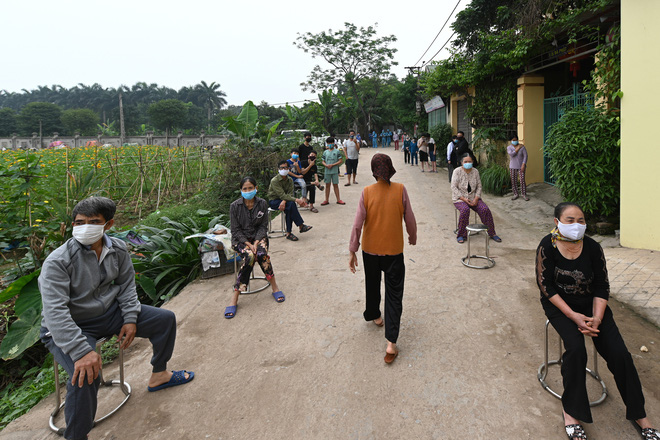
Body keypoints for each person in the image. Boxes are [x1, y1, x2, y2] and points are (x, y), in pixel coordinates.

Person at [39, 197, 194, 440]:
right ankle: (76, 436)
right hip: (69, 325)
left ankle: (159, 374)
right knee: (85, 374)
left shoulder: (118, 249)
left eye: (93, 222)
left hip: (109, 313)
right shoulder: (58, 261)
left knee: (165, 319)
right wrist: (81, 352)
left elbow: (126, 286)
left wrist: (130, 318)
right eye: (79, 222)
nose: (84, 227)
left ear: (108, 224)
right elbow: (55, 312)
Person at [536, 202, 660, 440]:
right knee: (575, 349)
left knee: (620, 355)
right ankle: (571, 412)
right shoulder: (547, 246)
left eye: (581, 220)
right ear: (557, 222)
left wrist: (597, 318)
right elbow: (545, 287)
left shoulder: (593, 247)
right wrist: (574, 317)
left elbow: (602, 286)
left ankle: (640, 414)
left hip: (593, 307)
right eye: (570, 220)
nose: (576, 225)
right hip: (560, 306)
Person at [349, 153, 417, 364]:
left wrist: (353, 249)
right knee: (394, 294)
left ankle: (374, 315)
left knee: (371, 283)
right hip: (394, 251)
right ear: (390, 168)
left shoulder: (367, 192)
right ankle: (391, 344)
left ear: (373, 170)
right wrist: (412, 236)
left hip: (370, 251)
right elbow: (410, 217)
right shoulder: (400, 190)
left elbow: (358, 222)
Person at [226, 177, 285, 318]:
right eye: (245, 189)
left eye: (250, 188)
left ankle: (275, 287)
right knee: (250, 256)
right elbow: (235, 230)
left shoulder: (262, 203)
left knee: (261, 254)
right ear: (241, 190)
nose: (248, 191)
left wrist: (257, 242)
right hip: (241, 240)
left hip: (259, 238)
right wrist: (248, 244)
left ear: (256, 188)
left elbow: (263, 226)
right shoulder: (235, 206)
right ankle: (235, 297)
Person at [451, 154, 501, 243]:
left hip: (474, 198)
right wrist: (463, 199)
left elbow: (479, 186)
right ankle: (461, 235)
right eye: (465, 162)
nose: (467, 163)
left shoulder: (475, 171)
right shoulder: (457, 171)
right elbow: (453, 187)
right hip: (460, 199)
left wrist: (476, 199)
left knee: (485, 209)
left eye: (469, 161)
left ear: (473, 162)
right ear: (461, 163)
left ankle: (492, 233)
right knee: (465, 210)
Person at [267, 160, 313, 241]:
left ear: (289, 168)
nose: (284, 169)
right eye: (282, 168)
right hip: (274, 201)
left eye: (286, 167)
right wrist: (297, 200)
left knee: (290, 206)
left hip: (285, 200)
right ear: (278, 169)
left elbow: (290, 194)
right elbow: (282, 195)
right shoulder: (275, 180)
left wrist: (284, 201)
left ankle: (290, 233)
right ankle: (300, 226)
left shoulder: (290, 180)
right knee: (291, 204)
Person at [321, 137, 345, 205]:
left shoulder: (337, 151)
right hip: (327, 171)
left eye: (331, 143)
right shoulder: (325, 152)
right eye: (329, 143)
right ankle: (326, 200)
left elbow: (340, 160)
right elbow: (322, 161)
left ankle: (338, 199)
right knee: (327, 185)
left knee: (335, 185)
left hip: (334, 171)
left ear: (333, 143)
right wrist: (326, 165)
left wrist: (333, 165)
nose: (330, 144)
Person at [507, 134, 529, 201]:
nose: (515, 141)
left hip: (521, 166)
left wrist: (523, 164)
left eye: (516, 140)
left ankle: (524, 194)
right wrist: (518, 148)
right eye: (513, 140)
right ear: (511, 141)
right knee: (513, 181)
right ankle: (516, 194)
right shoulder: (509, 147)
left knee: (522, 180)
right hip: (512, 166)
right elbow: (512, 154)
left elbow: (525, 156)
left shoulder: (522, 147)